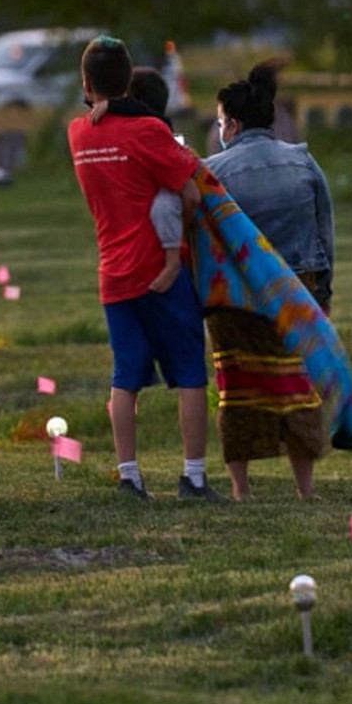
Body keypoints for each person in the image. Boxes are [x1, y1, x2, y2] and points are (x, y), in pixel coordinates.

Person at [69, 37, 223, 502]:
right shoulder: (148, 133)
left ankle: (129, 477)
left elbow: (104, 115)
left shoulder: (78, 134)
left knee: (126, 376)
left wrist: (105, 106)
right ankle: (193, 477)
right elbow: (191, 191)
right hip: (163, 272)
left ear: (87, 83)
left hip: (113, 275)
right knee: (190, 373)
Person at [204, 61, 335, 501]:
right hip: (298, 289)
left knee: (238, 391)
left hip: (237, 301)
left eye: (221, 121)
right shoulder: (303, 160)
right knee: (298, 387)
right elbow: (324, 231)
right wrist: (324, 294)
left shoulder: (213, 172)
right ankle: (305, 487)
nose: (220, 128)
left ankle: (241, 488)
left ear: (234, 124)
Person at [88, 67, 184, 293]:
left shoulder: (152, 125)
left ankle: (172, 263)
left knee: (164, 206)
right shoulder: (151, 124)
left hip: (169, 195)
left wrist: (113, 106)